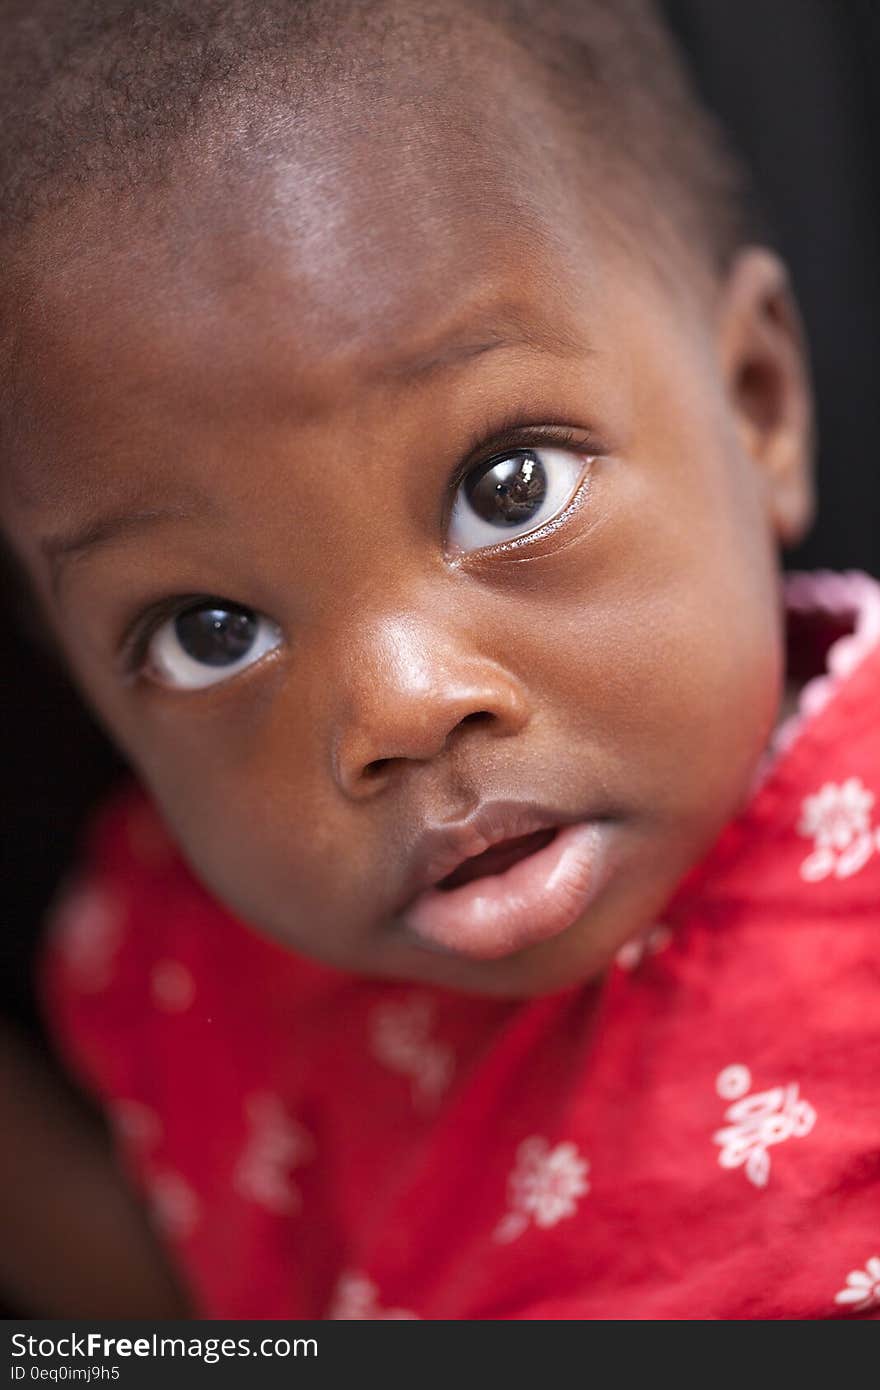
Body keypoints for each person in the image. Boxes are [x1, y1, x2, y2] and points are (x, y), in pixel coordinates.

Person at [1, 0, 877, 1320]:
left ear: (754, 402)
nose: (401, 705)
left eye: (506, 486)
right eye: (209, 632)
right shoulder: (200, 981)